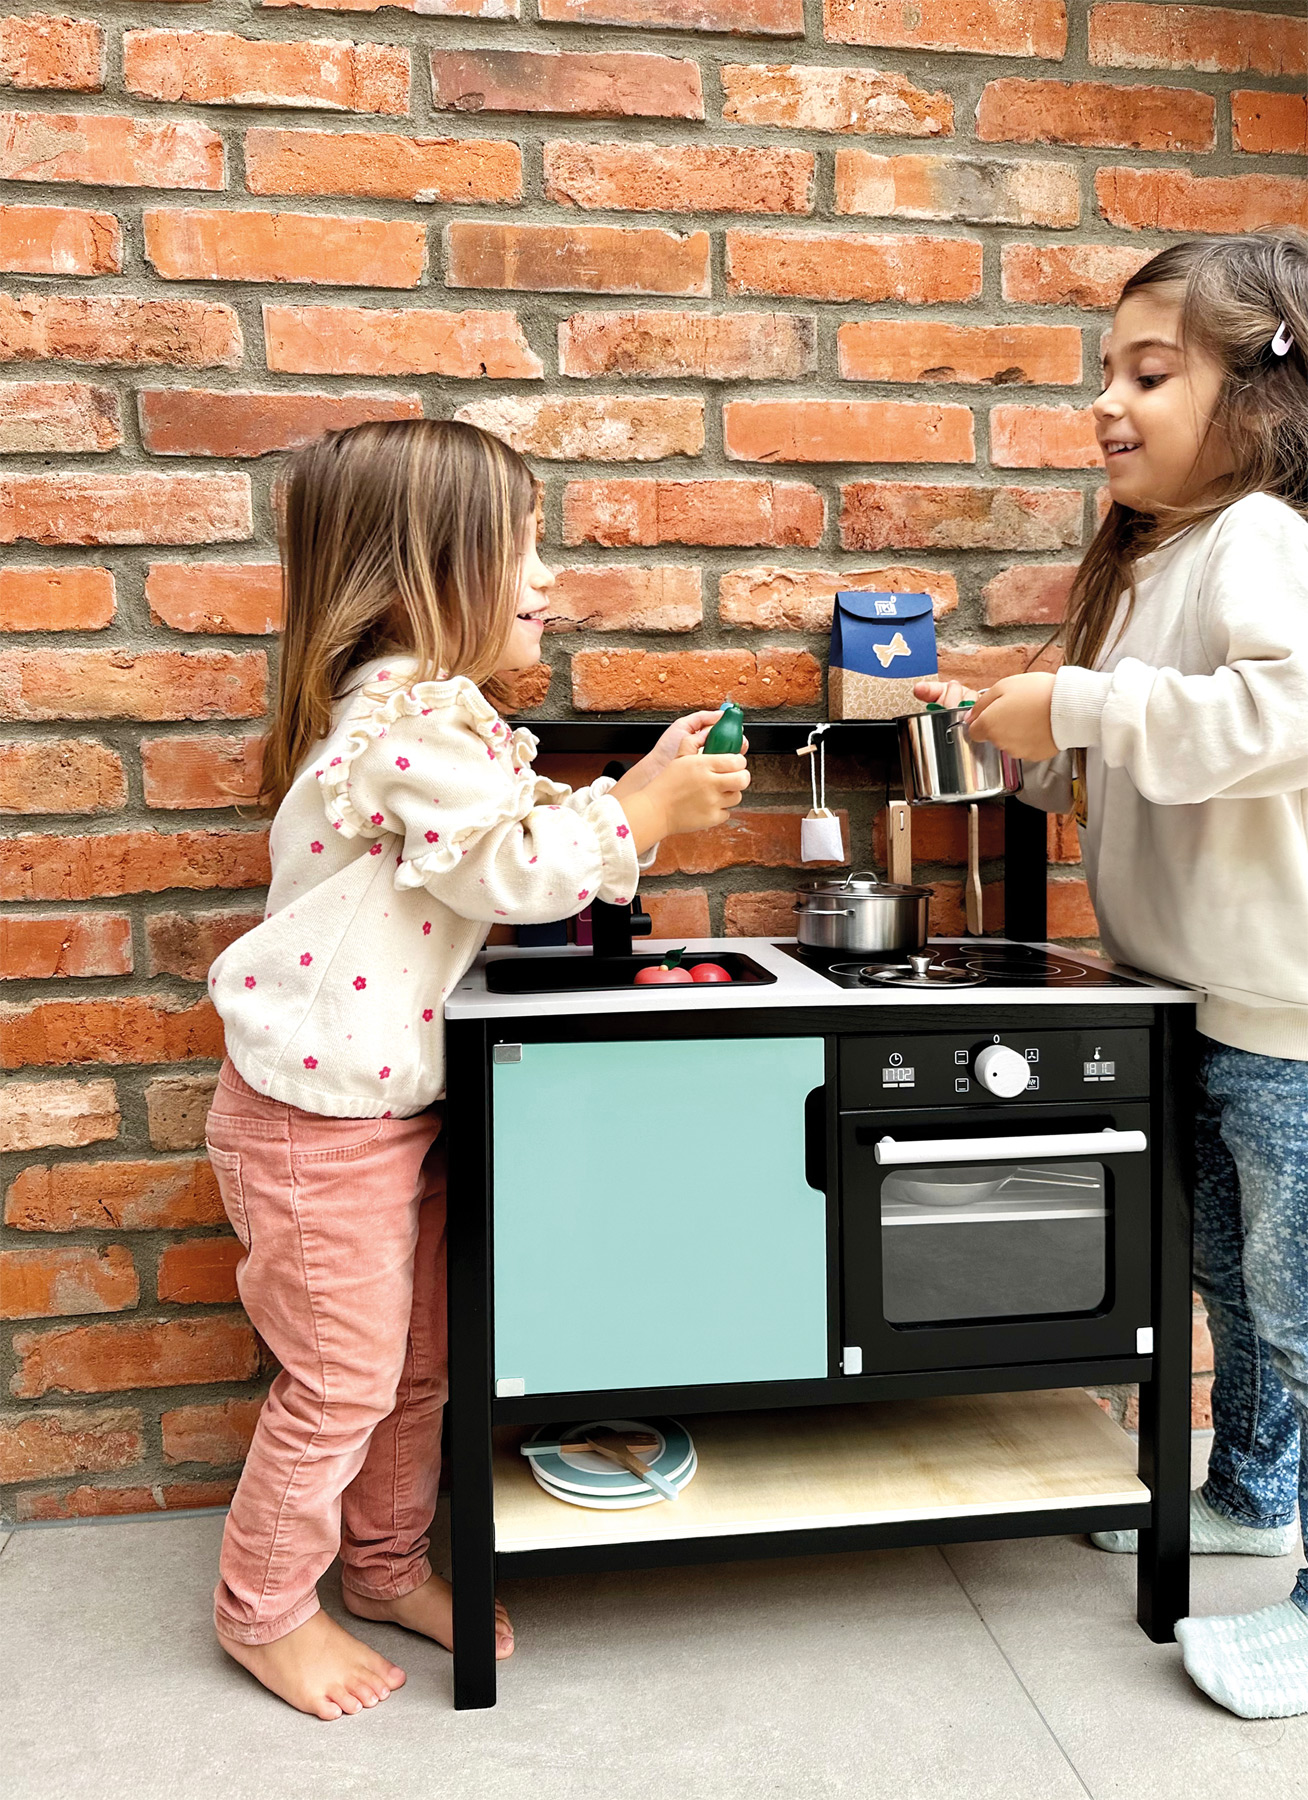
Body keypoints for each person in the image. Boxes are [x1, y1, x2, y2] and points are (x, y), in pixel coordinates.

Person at [203, 419, 750, 1720]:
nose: (546, 576)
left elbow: (513, 830)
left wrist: (637, 790)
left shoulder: (445, 719)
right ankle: (261, 1610)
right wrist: (642, 812)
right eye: (522, 547)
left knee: (414, 1372)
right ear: (427, 572)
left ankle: (386, 1567)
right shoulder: (400, 724)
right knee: (342, 1380)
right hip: (315, 1120)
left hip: (386, 1103)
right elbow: (506, 869)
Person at [916, 229, 1308, 1720]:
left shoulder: (1262, 538)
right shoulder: (1158, 563)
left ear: (1261, 393)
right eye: (1106, 374)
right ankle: (1251, 1490)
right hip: (1194, 999)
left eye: (1150, 374)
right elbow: (1160, 756)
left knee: (1297, 1307)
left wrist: (1079, 702)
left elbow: (1282, 719)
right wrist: (1031, 745)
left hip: (1287, 1014)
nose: (1107, 403)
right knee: (1234, 1283)